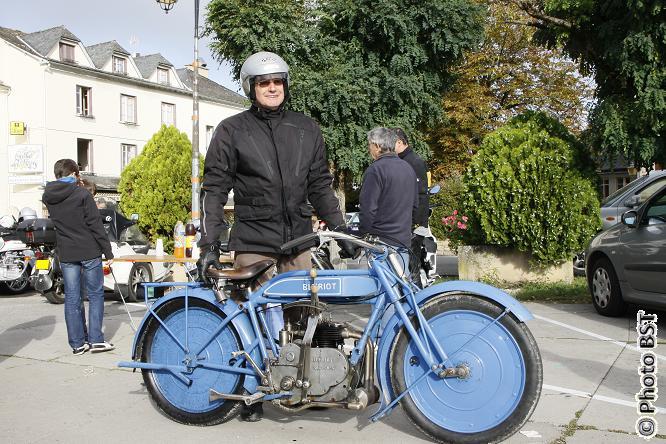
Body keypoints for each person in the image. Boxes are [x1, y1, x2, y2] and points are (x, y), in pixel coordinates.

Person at [197, 51, 356, 422]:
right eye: (264, 82)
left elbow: (320, 186)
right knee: (254, 317)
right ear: (251, 88)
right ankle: (250, 393)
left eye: (277, 81)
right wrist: (210, 243)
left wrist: (342, 230)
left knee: (303, 317)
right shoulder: (232, 130)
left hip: (298, 240)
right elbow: (215, 189)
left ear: (286, 85)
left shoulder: (306, 128)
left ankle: (304, 386)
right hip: (254, 240)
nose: (272, 88)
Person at [42, 159, 115, 355]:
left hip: (67, 252)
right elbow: (95, 224)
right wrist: (108, 251)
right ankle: (96, 340)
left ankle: (77, 343)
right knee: (95, 294)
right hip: (89, 250)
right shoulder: (82, 194)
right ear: (74, 174)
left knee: (72, 297)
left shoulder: (48, 196)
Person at [358, 127, 417, 271]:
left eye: (370, 145)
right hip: (403, 240)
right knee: (400, 282)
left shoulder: (375, 170)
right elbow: (415, 205)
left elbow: (368, 209)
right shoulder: (408, 168)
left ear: (378, 146)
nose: (369, 149)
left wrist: (362, 235)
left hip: (380, 242)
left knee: (380, 284)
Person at [392, 127, 430, 282]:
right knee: (403, 266)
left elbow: (421, 195)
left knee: (411, 267)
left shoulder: (414, 162)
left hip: (413, 225)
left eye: (391, 143)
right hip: (406, 223)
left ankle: (417, 295)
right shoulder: (402, 161)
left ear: (400, 142)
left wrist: (415, 224)